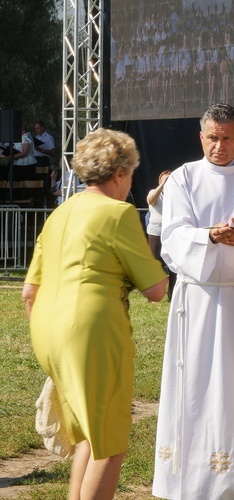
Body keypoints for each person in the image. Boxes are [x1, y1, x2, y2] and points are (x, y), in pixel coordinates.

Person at [21, 128, 167, 499]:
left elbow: (28, 292)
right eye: (131, 173)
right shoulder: (117, 212)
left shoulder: (60, 212)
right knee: (111, 442)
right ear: (119, 173)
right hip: (92, 331)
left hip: (47, 331)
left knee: (88, 434)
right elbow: (155, 290)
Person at [152, 103, 234, 499]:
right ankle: (190, 479)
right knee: (195, 389)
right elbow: (172, 234)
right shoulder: (184, 178)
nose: (218, 146)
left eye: (226, 138)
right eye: (211, 137)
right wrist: (208, 236)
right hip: (199, 300)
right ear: (200, 136)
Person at [146, 169, 176, 299]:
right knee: (154, 264)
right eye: (164, 179)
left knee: (173, 265)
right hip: (155, 233)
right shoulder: (153, 193)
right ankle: (153, 294)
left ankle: (172, 294)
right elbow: (151, 200)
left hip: (170, 233)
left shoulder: (175, 196)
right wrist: (163, 184)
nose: (167, 181)